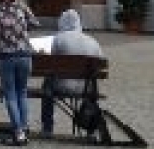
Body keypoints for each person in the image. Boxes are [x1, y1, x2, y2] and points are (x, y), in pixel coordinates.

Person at [0, 0, 40, 146]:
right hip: (25, 55)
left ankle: (19, 132)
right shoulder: (21, 6)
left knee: (10, 94)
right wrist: (21, 28)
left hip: (7, 57)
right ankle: (24, 127)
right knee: (22, 92)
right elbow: (35, 23)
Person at [39, 8, 106, 138]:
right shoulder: (92, 41)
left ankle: (47, 127)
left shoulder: (59, 39)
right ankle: (90, 127)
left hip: (63, 85)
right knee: (91, 84)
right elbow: (100, 65)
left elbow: (53, 64)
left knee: (46, 85)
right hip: (87, 88)